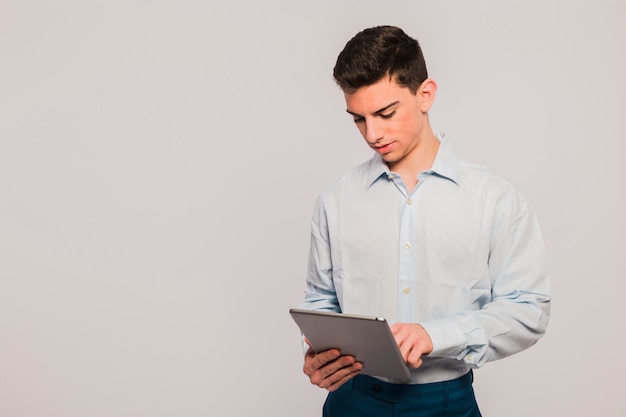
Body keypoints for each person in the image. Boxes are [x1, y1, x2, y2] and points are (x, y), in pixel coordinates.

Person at [297, 25, 551, 417]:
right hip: (352, 399)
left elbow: (528, 310)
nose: (372, 134)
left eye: (385, 113)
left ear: (425, 94)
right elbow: (321, 301)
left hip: (445, 402)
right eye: (358, 119)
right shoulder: (335, 200)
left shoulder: (495, 200)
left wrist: (437, 335)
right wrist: (317, 353)